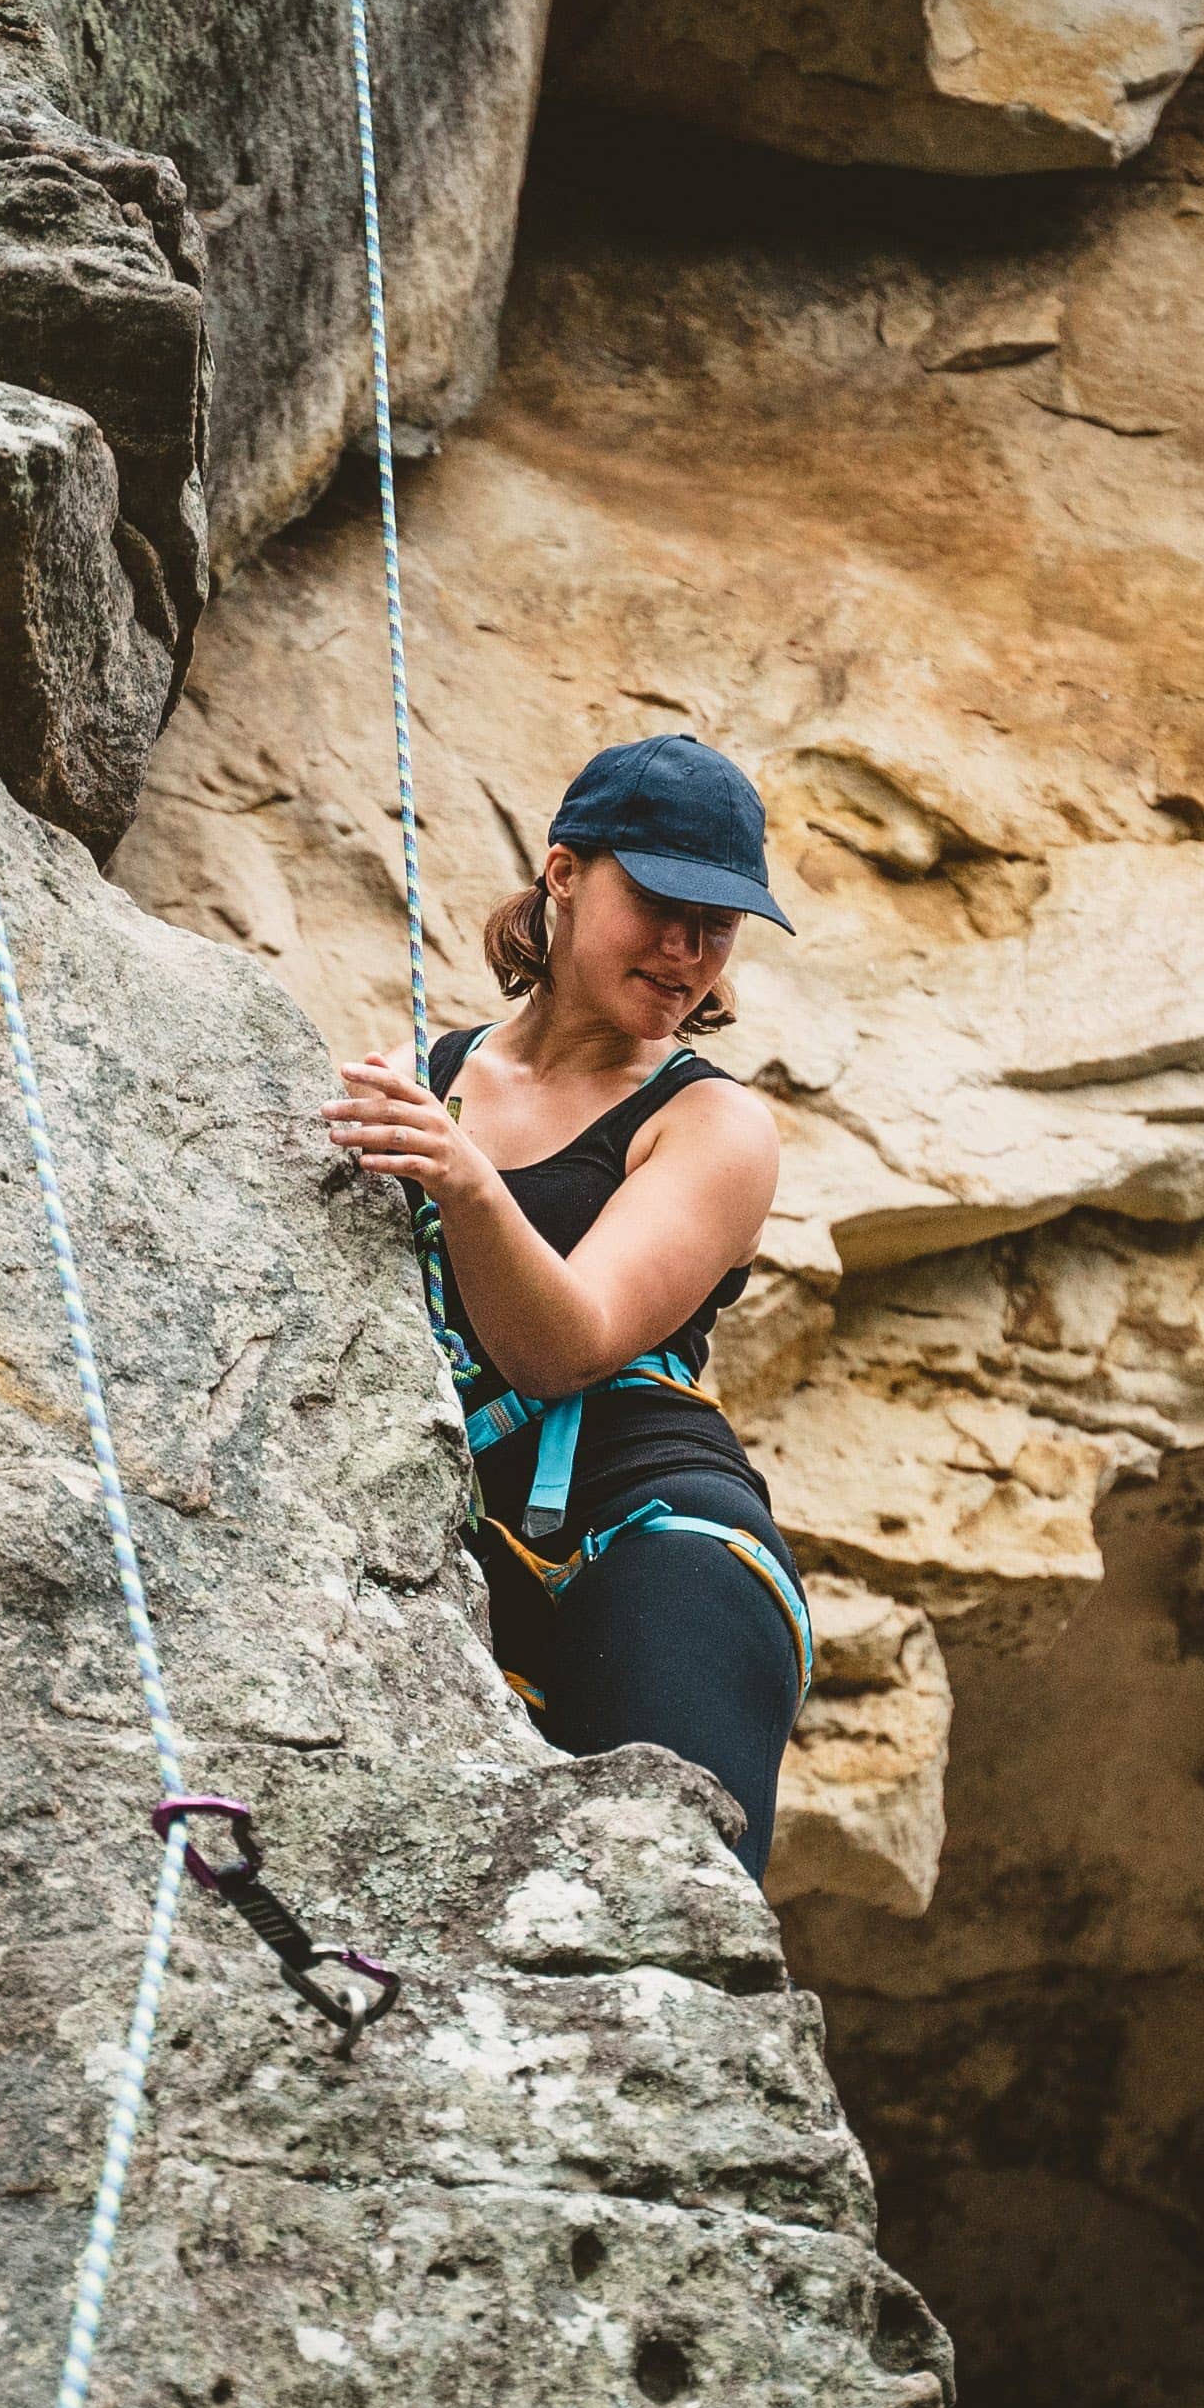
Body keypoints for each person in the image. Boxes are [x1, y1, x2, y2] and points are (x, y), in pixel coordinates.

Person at [319, 733, 814, 1876]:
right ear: (563, 873)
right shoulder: (423, 1075)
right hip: (447, 1553)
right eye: (662, 904)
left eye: (719, 925)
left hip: (657, 1536)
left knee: (666, 1896)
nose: (689, 951)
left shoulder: (712, 1124)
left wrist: (465, 1179)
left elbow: (567, 1345)